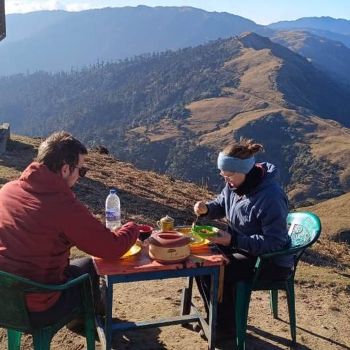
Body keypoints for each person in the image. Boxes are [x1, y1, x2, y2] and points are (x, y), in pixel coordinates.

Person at [0, 131, 139, 327]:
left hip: (4, 299)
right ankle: (87, 321)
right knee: (91, 267)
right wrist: (133, 227)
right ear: (65, 169)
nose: (81, 177)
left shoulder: (8, 190)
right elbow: (111, 248)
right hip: (37, 307)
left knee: (78, 266)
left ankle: (82, 318)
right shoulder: (63, 206)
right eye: (81, 171)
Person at [194, 138, 293, 339]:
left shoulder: (270, 196)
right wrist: (206, 209)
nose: (226, 180)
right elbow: (221, 204)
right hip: (244, 250)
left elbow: (275, 242)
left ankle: (225, 328)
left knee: (218, 267)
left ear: (245, 171)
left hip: (270, 262)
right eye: (223, 175)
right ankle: (216, 318)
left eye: (229, 175)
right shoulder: (235, 185)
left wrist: (232, 241)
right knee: (201, 261)